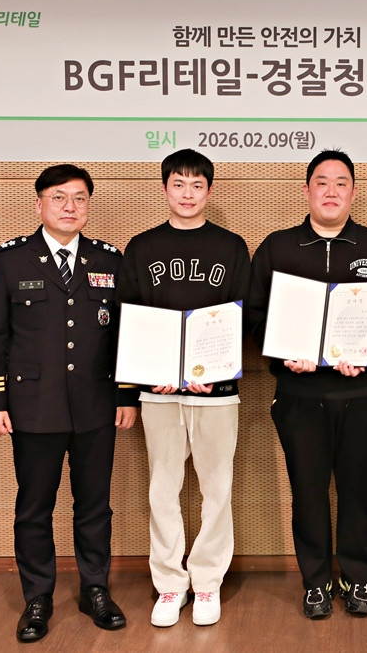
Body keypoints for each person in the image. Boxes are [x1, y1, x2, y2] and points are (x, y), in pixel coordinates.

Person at [0, 164, 139, 643]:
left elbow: (124, 334)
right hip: (33, 406)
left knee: (95, 505)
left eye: (80, 198)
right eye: (59, 197)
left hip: (96, 405)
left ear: (89, 205)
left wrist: (126, 394)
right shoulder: (11, 259)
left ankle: (95, 590)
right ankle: (37, 597)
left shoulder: (109, 258)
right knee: (34, 507)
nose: (71, 207)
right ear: (39, 204)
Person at [246, 149, 367, 619]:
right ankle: (315, 582)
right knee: (307, 491)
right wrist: (282, 355)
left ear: (353, 192)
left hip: (362, 393)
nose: (331, 191)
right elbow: (255, 314)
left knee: (359, 490)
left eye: (341, 183)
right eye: (322, 182)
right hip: (299, 395)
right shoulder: (277, 248)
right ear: (307, 191)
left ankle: (357, 578)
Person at [116, 149, 250, 627]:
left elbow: (242, 314)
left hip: (217, 391)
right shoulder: (142, 246)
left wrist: (214, 370)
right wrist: (139, 382)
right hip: (159, 391)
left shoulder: (231, 247)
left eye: (197, 185)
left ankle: (207, 581)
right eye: (178, 184)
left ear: (209, 191)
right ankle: (170, 584)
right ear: (165, 188)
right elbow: (129, 319)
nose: (187, 194)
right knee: (162, 489)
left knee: (217, 488)